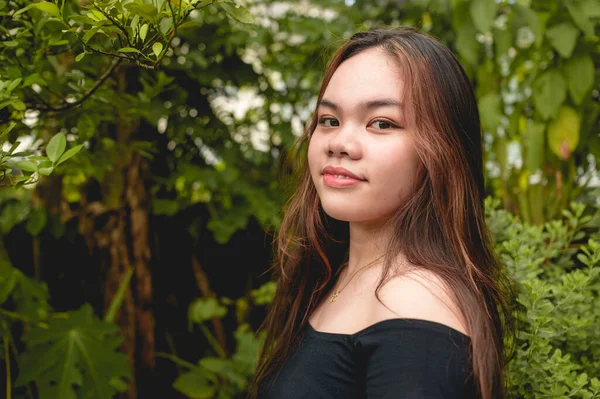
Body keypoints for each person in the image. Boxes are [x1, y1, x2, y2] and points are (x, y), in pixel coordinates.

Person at [247, 26, 517, 399]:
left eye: (381, 123)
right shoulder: (336, 276)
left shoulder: (415, 302)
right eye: (330, 120)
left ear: (441, 151)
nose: (340, 143)